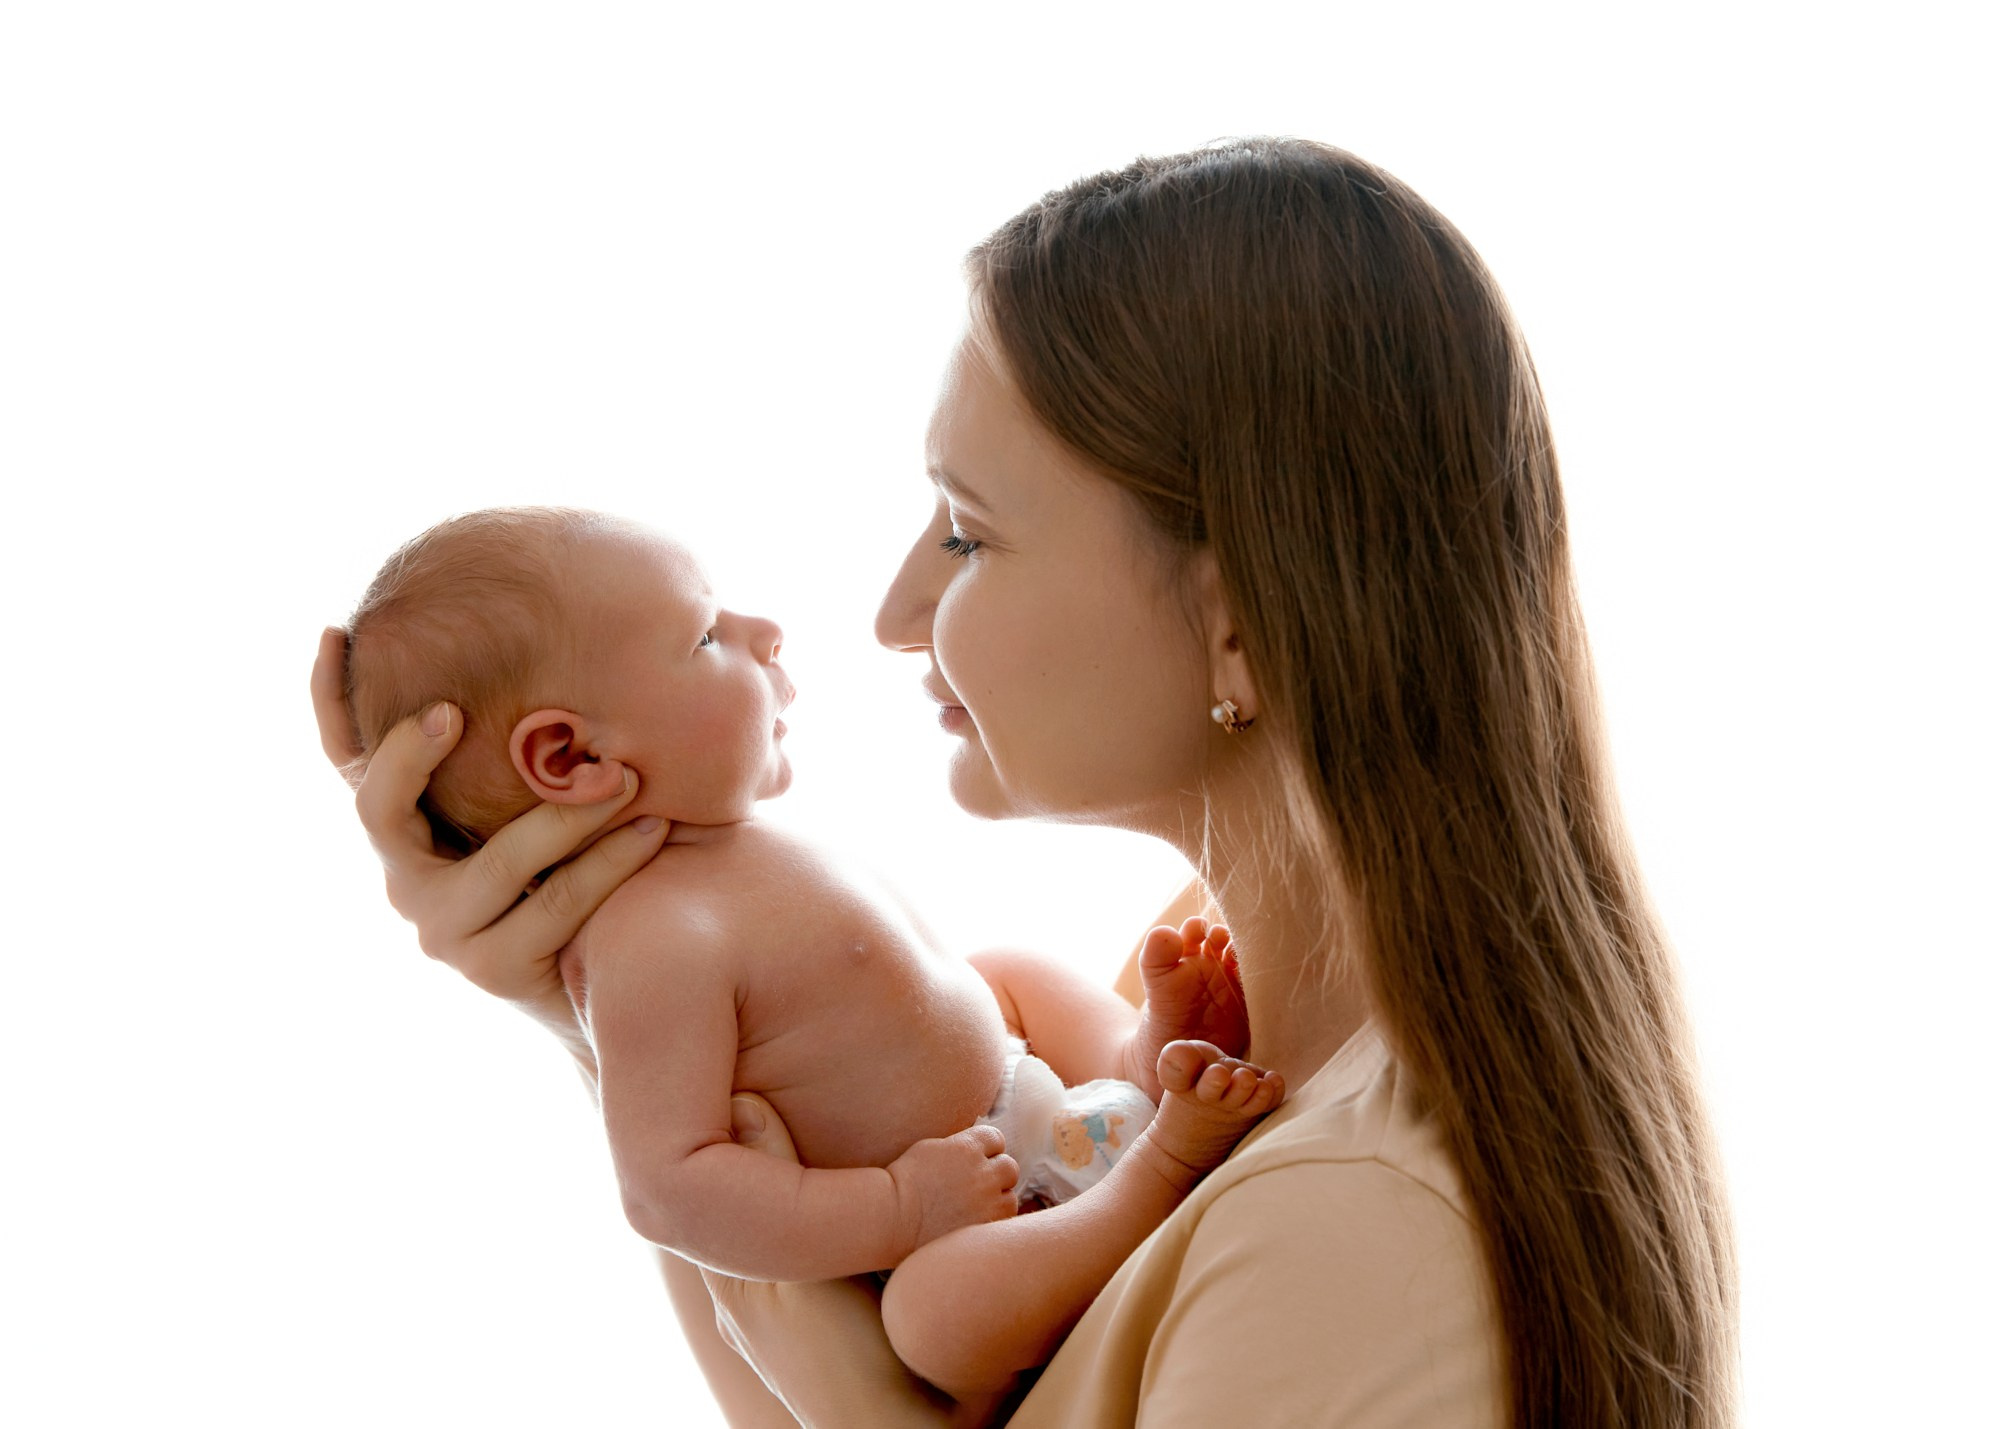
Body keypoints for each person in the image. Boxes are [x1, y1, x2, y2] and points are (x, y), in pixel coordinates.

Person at [314, 137, 1737, 1426]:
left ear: (1239, 622)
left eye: (967, 533)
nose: (891, 614)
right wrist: (589, 994)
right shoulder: (1209, 997)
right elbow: (743, 1248)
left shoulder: (1342, 1226)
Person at [338, 506, 1285, 1403]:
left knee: (1006, 968)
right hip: (988, 1227)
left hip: (1035, 1103)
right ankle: (1166, 1159)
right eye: (705, 635)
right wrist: (899, 1207)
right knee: (933, 1319)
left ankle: (1143, 1057)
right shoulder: (651, 936)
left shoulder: (733, 850)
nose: (764, 630)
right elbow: (670, 1189)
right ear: (571, 758)